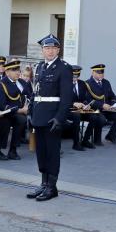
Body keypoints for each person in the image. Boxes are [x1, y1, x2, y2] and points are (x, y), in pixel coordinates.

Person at [27, 34, 73, 201]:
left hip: (52, 116)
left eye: (53, 48)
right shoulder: (39, 67)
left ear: (58, 50)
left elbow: (67, 97)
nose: (50, 51)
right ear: (42, 50)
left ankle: (52, 187)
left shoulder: (64, 68)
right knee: (41, 152)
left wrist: (60, 118)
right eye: (47, 48)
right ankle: (44, 183)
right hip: (39, 115)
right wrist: (31, 112)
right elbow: (35, 92)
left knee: (52, 152)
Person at [0, 59, 29, 161]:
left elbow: (29, 95)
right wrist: (20, 110)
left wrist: (28, 106)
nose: (18, 72)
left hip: (20, 112)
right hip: (4, 113)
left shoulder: (22, 82)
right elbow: (2, 105)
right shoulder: (0, 84)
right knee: (5, 121)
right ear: (7, 72)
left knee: (22, 119)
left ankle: (13, 150)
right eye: (14, 70)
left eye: (18, 70)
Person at [84, 64, 116, 145]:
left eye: (102, 73)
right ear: (93, 73)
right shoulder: (87, 83)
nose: (101, 75)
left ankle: (111, 136)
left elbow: (112, 96)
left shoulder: (106, 82)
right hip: (95, 110)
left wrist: (113, 105)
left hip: (107, 109)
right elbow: (88, 100)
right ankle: (97, 140)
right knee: (101, 119)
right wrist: (102, 105)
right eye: (98, 73)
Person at [67, 65, 91, 150]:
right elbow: (62, 99)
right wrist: (73, 104)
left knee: (95, 117)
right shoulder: (64, 84)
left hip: (81, 110)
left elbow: (85, 98)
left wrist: (86, 104)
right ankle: (76, 143)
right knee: (76, 116)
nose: (75, 78)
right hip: (67, 110)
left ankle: (85, 140)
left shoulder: (82, 84)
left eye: (77, 76)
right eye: (73, 76)